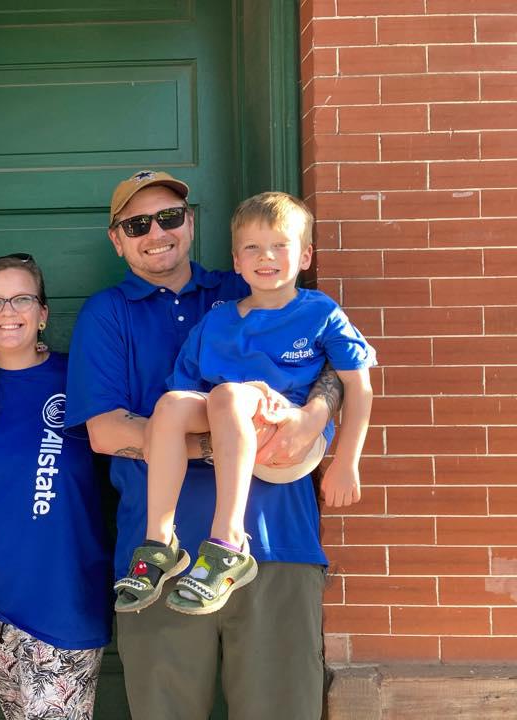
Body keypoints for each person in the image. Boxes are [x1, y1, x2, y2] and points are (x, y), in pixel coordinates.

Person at [65, 171, 344, 720]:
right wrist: (232, 446)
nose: (156, 233)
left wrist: (313, 416)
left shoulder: (247, 284)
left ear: (190, 223)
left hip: (275, 543)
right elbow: (107, 432)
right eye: (137, 224)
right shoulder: (108, 314)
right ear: (117, 239)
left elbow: (335, 363)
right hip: (159, 565)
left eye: (169, 217)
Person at [113, 191, 375, 616]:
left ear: (305, 256)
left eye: (280, 245)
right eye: (252, 247)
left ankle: (228, 542)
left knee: (231, 393)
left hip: (290, 438)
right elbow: (188, 397)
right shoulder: (216, 321)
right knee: (170, 406)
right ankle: (161, 542)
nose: (265, 256)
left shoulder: (320, 312)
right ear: (237, 261)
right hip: (232, 423)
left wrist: (346, 462)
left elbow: (358, 385)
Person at [0, 253, 112, 720]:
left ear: (43, 314)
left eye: (22, 299)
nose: (8, 311)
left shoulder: (79, 377)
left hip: (66, 601)